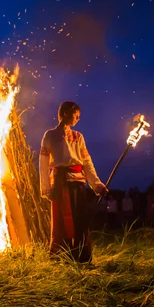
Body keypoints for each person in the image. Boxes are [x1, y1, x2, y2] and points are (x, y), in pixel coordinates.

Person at [39, 101, 108, 263]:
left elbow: (87, 162)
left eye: (79, 114)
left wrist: (97, 184)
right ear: (64, 113)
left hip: (78, 184)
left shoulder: (78, 137)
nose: (78, 117)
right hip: (60, 184)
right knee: (62, 222)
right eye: (75, 113)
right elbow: (43, 164)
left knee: (80, 221)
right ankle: (63, 258)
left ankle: (82, 258)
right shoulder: (50, 135)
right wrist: (47, 189)